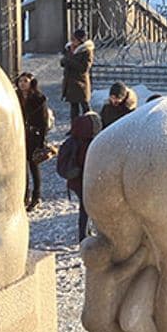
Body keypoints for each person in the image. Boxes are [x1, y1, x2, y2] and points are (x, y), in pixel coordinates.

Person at [16, 71, 50, 211]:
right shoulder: (15, 97)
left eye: (25, 81)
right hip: (19, 135)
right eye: (20, 81)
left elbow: (43, 121)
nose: (22, 84)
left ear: (31, 82)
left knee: (33, 167)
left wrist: (41, 142)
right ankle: (24, 195)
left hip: (33, 136)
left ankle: (36, 196)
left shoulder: (38, 99)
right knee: (21, 168)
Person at [67, 110, 102, 240]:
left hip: (74, 181)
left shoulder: (75, 137)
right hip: (85, 181)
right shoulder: (89, 144)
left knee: (84, 208)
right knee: (87, 210)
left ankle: (84, 234)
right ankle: (85, 235)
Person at [61, 27, 94, 120]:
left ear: (80, 40)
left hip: (80, 83)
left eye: (74, 39)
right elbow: (64, 61)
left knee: (85, 106)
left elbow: (84, 68)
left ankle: (91, 125)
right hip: (70, 82)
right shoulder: (69, 49)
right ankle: (75, 127)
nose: (72, 41)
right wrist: (64, 61)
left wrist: (69, 61)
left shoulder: (86, 51)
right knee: (73, 108)